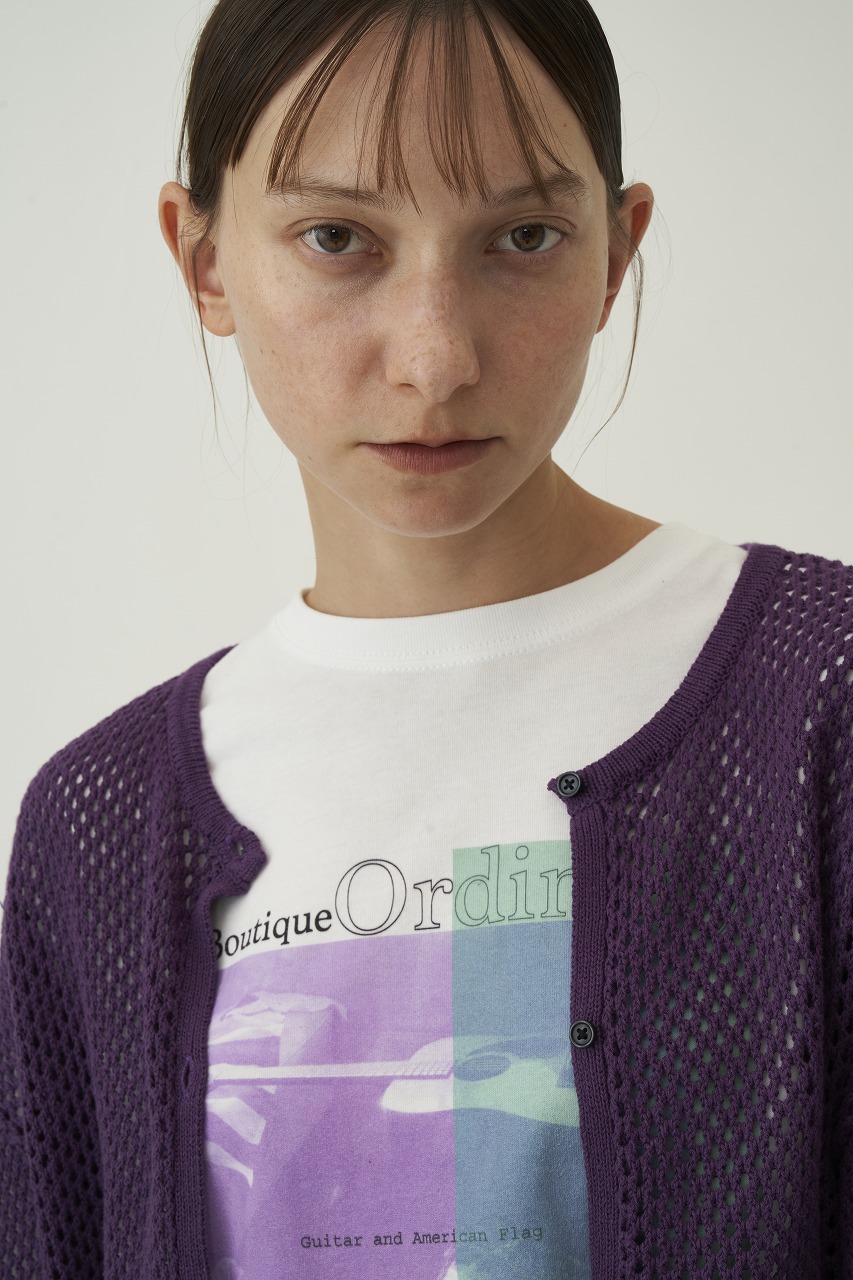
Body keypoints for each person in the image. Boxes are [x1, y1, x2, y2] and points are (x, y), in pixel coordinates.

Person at [1, 0, 850, 1276]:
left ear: (615, 253)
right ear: (205, 261)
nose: (435, 357)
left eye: (523, 236)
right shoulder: (100, 820)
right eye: (338, 238)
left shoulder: (819, 703)